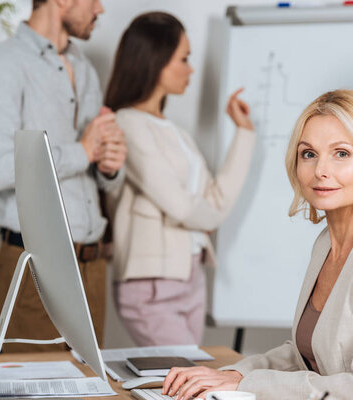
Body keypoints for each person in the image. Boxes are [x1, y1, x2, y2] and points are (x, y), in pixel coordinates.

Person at [161, 90, 353, 400]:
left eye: (341, 153)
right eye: (309, 154)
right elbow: (305, 357)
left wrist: (247, 386)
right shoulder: (326, 243)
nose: (320, 170)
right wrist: (234, 374)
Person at [0, 0, 127, 352]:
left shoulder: (83, 68)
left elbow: (95, 170)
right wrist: (82, 151)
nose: (100, 9)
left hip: (92, 267)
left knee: (90, 391)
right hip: (34, 269)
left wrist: (110, 166)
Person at [105, 11, 256, 346]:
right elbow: (181, 207)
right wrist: (207, 217)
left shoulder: (178, 135)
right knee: (185, 385)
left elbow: (215, 201)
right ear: (155, 60)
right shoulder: (127, 123)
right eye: (183, 59)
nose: (191, 68)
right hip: (152, 281)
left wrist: (244, 134)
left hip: (191, 275)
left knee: (185, 387)